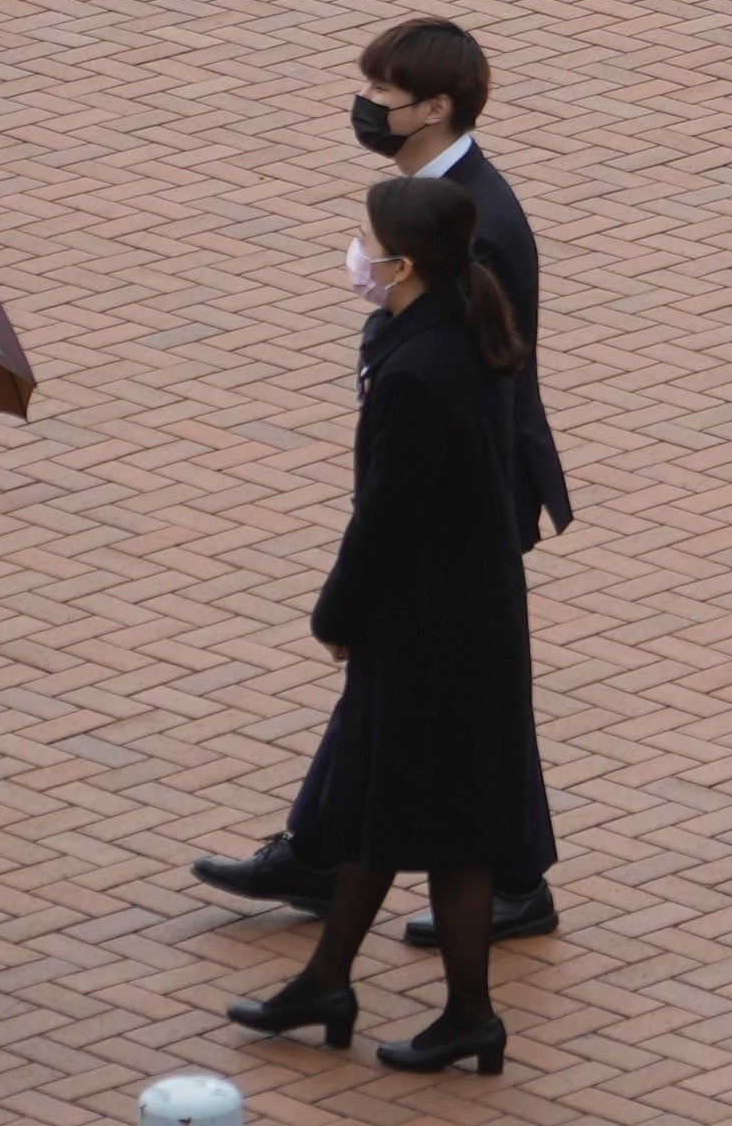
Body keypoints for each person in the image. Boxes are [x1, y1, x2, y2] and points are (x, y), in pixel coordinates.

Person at [219, 172, 542, 1075]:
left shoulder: (418, 368)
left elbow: (386, 516)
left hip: (429, 624)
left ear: (403, 262)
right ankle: (329, 977)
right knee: (381, 794)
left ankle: (469, 1012)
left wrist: (337, 612)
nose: (356, 254)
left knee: (444, 818)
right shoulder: (450, 323)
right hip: (461, 611)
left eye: (367, 240)